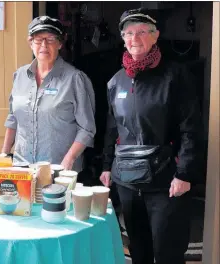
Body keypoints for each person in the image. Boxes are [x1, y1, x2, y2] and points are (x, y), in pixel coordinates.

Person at [99, 8, 202, 264]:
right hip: (127, 181)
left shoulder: (175, 76)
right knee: (139, 249)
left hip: (166, 182)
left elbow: (191, 128)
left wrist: (185, 174)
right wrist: (106, 166)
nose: (135, 38)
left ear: (155, 36)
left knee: (168, 251)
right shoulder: (116, 82)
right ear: (123, 38)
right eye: (129, 33)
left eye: (142, 32)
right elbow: (113, 129)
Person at [1, 16, 96, 172]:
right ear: (30, 43)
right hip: (21, 166)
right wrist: (4, 155)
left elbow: (87, 129)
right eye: (38, 39)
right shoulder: (19, 76)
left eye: (51, 39)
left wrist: (68, 160)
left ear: (60, 43)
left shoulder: (75, 79)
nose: (44, 45)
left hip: (59, 169)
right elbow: (13, 119)